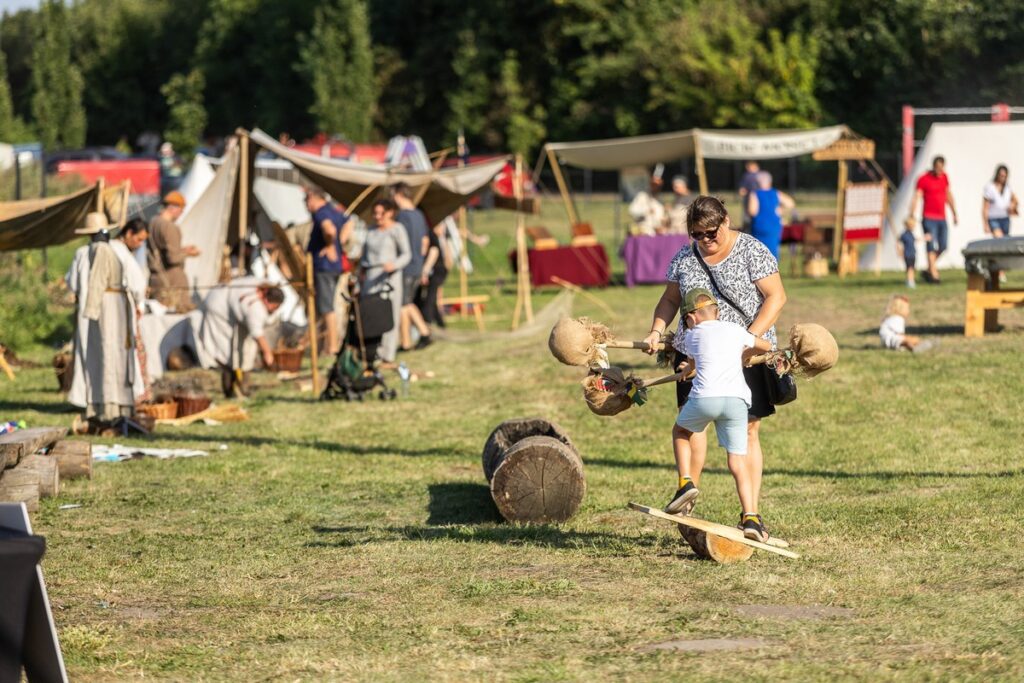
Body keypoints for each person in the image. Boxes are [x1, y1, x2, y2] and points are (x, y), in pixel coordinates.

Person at [642, 195, 787, 543]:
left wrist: (749, 339)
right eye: (697, 234)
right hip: (697, 354)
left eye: (711, 231)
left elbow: (776, 297)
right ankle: (686, 500)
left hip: (747, 355)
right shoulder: (684, 258)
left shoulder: (752, 249)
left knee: (748, 433)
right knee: (691, 428)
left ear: (726, 221)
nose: (706, 239)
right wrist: (656, 331)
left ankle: (751, 516)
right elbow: (670, 300)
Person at [665, 288, 774, 541]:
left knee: (681, 431)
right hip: (736, 401)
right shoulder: (736, 331)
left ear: (691, 318)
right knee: (737, 461)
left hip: (706, 398)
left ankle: (686, 483)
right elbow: (766, 346)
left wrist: (685, 369)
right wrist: (744, 356)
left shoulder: (691, 335)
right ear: (717, 311)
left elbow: (693, 362)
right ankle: (751, 518)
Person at [81, 213, 147, 423]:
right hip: (114, 303)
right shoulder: (108, 249)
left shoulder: (101, 249)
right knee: (112, 354)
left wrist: (90, 311)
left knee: (109, 354)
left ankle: (112, 407)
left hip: (109, 307)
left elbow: (97, 281)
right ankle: (112, 405)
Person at [198, 277, 285, 397]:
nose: (274, 311)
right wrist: (267, 352)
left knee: (246, 349)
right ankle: (230, 389)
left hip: (231, 308)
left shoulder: (266, 287)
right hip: (219, 311)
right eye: (274, 307)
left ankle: (243, 386)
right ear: (266, 300)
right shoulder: (254, 307)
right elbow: (256, 332)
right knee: (227, 352)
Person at [65, 214, 111, 409]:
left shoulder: (82, 253)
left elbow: (73, 283)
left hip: (87, 310)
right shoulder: (111, 251)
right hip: (106, 310)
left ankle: (86, 397)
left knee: (86, 351)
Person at [360, 198, 411, 367]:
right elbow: (364, 255)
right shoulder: (371, 231)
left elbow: (406, 254)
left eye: (380, 213)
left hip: (389, 277)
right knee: (372, 315)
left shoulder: (397, 229)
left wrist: (394, 265)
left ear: (389, 212)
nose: (377, 217)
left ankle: (388, 354)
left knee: (389, 314)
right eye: (375, 213)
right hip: (371, 276)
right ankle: (373, 351)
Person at [305, 186, 354, 356]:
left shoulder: (321, 213)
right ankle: (328, 344)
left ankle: (332, 346)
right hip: (333, 267)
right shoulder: (333, 211)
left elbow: (329, 230)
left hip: (325, 267)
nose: (306, 205)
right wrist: (340, 242)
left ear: (313, 198)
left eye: (306, 200)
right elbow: (349, 222)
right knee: (329, 306)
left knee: (327, 308)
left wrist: (331, 244)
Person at [112, 218, 151, 403]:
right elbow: (138, 285)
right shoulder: (120, 253)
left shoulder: (113, 250)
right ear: (128, 233)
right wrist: (140, 304)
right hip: (122, 310)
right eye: (139, 239)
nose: (140, 244)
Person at [392, 183, 433, 350]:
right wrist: (421, 262)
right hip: (417, 265)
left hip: (406, 266)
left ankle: (414, 337)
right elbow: (425, 242)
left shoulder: (402, 217)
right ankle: (413, 337)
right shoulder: (419, 215)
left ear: (399, 195)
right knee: (407, 302)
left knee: (403, 304)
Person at [147, 190, 198, 311]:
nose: (181, 213)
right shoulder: (169, 227)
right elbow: (173, 258)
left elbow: (162, 251)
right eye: (181, 209)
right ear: (173, 208)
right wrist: (188, 253)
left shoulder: (153, 222)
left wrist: (182, 249)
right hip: (172, 283)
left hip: (156, 280)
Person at [911, 156, 958, 284]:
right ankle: (934, 274)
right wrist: (912, 213)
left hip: (942, 218)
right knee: (931, 245)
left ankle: (928, 269)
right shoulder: (923, 179)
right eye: (937, 167)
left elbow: (948, 195)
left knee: (943, 245)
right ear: (933, 166)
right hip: (928, 218)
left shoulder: (944, 178)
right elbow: (917, 196)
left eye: (941, 168)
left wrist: (954, 212)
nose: (939, 170)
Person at [747, 171, 795, 261]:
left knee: (759, 254)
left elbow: (752, 211)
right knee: (773, 252)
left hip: (759, 226)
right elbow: (790, 203)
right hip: (774, 226)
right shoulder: (776, 193)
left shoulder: (754, 194)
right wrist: (781, 210)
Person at [417, 220, 450, 328]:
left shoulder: (431, 235)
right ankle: (440, 323)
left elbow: (434, 252)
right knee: (430, 298)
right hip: (435, 270)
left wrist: (425, 272)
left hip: (436, 270)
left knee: (429, 298)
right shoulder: (433, 235)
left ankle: (427, 323)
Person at [982, 164, 1017, 238]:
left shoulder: (1007, 188)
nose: (1002, 178)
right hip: (994, 219)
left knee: (1005, 240)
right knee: (999, 238)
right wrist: (985, 224)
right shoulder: (990, 188)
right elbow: (985, 207)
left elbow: (1015, 199)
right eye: (1001, 176)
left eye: (1004, 176)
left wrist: (1012, 205)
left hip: (1005, 218)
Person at [737, 161, 761, 232]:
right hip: (759, 200)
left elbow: (742, 191)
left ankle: (748, 231)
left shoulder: (747, 176)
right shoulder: (761, 176)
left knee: (748, 218)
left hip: (749, 201)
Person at [897, 218, 918, 289]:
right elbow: (898, 242)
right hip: (907, 254)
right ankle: (910, 281)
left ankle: (910, 280)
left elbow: (915, 239)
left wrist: (925, 238)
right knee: (910, 268)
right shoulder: (904, 235)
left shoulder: (911, 234)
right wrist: (899, 251)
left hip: (913, 253)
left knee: (912, 268)